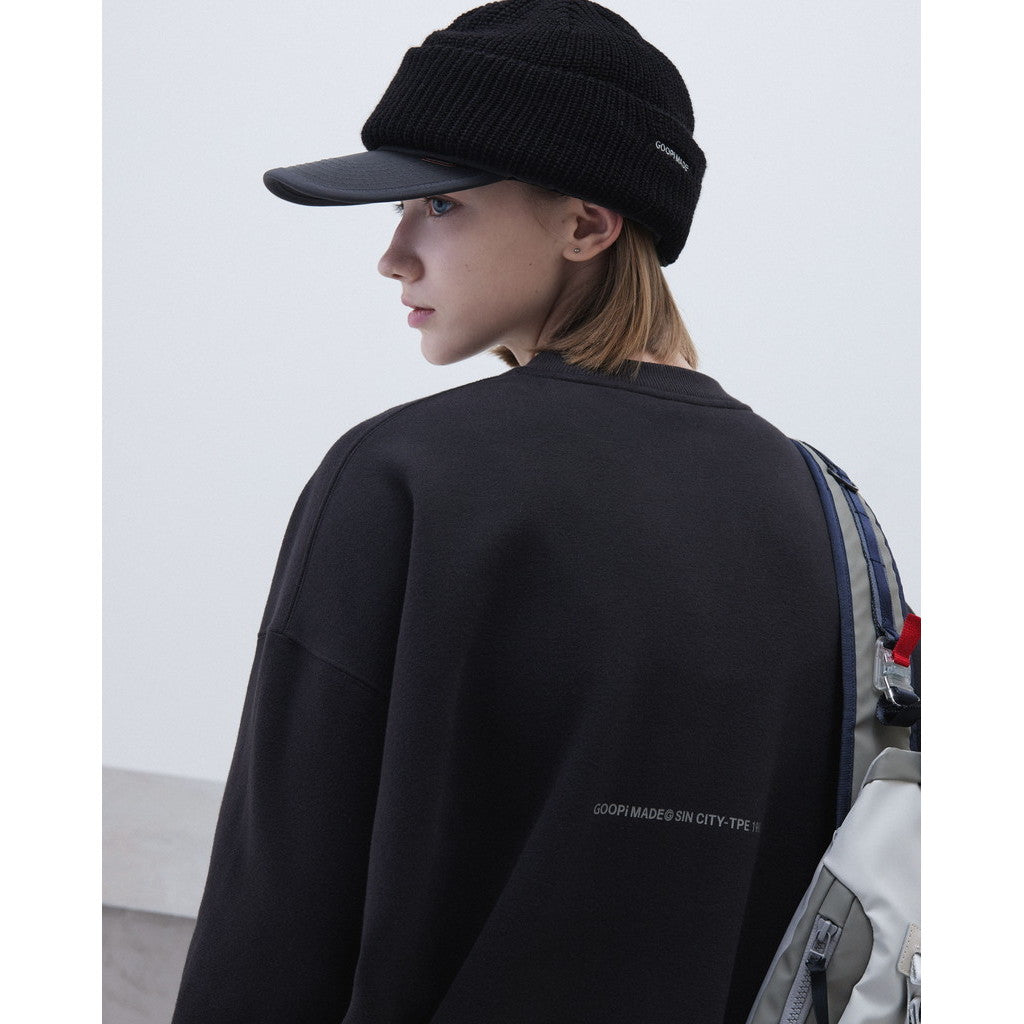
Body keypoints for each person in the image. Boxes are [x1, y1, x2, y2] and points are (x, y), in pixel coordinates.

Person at [170, 2, 861, 1022]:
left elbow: (277, 914)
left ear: (586, 224)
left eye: (440, 204)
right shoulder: (821, 511)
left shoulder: (405, 475)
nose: (394, 254)